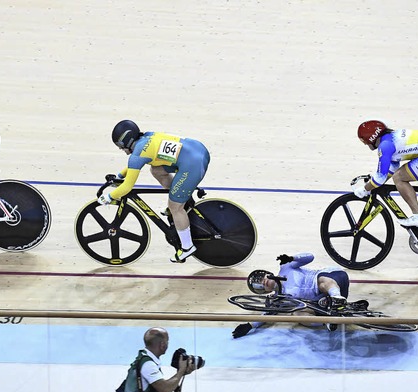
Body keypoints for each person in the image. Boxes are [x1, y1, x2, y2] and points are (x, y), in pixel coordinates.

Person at [98, 120, 211, 263]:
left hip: (193, 165)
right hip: (197, 150)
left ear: (126, 141)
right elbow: (134, 165)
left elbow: (127, 187)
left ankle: (187, 247)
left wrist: (108, 197)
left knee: (175, 207)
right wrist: (120, 176)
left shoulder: (137, 154)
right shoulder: (146, 137)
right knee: (156, 169)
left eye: (121, 147)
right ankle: (181, 197)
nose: (122, 150)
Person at [354, 120, 418, 227]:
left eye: (364, 141)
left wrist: (365, 189)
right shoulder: (390, 138)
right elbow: (390, 169)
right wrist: (372, 185)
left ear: (370, 138)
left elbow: (380, 178)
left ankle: (417, 217)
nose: (366, 144)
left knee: (399, 177)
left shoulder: (385, 146)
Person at [232, 252, 354, 337]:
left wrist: (292, 258)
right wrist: (250, 326)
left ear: (266, 273)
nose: (262, 282)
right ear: (265, 291)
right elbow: (266, 315)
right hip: (323, 301)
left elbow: (310, 256)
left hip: (334, 278)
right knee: (297, 314)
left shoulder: (286, 267)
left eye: (260, 278)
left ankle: (337, 299)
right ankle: (328, 321)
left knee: (321, 282)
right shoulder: (278, 300)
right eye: (259, 286)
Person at [130, 327, 199, 392]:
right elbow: (165, 390)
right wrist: (180, 371)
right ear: (162, 344)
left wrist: (181, 373)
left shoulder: (144, 356)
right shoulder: (148, 365)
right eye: (167, 341)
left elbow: (160, 386)